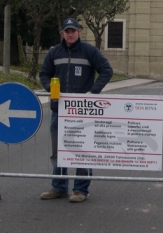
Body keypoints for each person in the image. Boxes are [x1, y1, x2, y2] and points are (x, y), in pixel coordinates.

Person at [39, 17, 113, 203]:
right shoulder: (55, 52)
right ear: (62, 33)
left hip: (83, 111)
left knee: (83, 149)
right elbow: (44, 73)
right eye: (67, 31)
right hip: (60, 110)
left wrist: (93, 92)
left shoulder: (89, 51)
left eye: (73, 30)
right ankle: (59, 187)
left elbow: (106, 70)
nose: (70, 34)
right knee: (58, 150)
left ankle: (80, 189)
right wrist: (50, 87)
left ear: (79, 31)